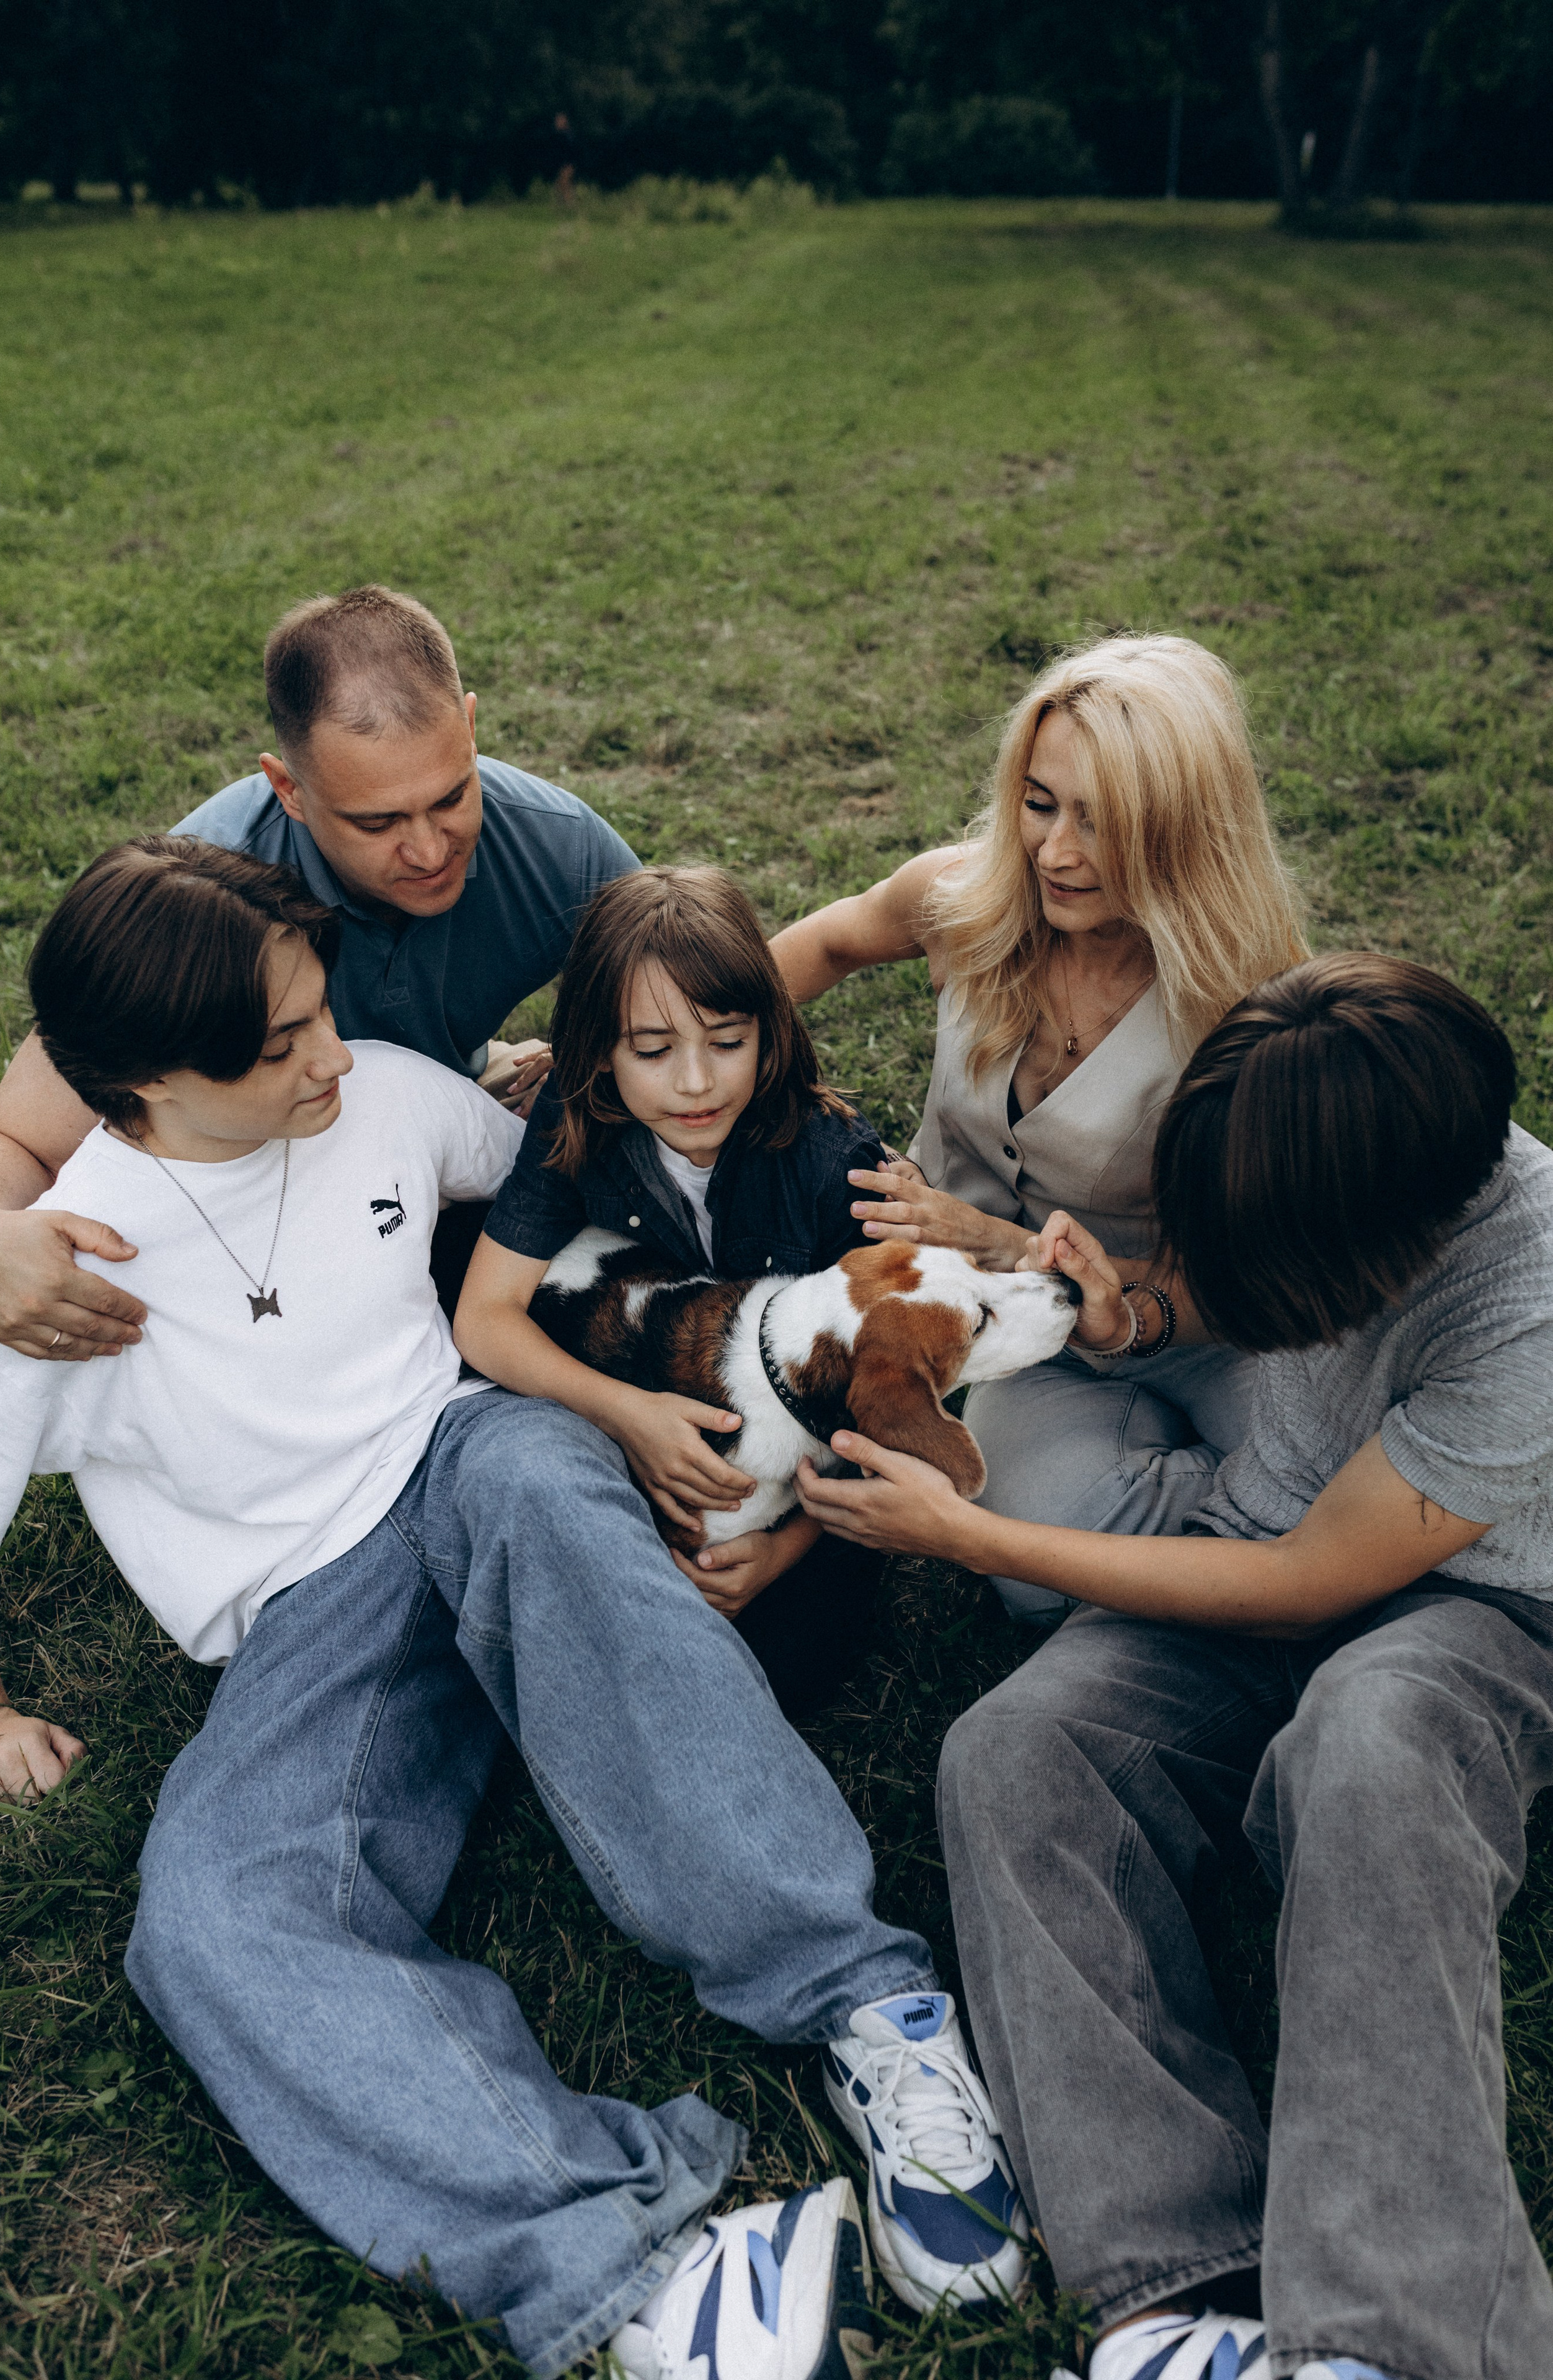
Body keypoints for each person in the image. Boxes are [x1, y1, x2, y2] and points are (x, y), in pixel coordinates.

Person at [0, 836, 1030, 2353]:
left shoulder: (388, 1095)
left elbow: (571, 1156)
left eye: (323, 1010)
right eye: (284, 1046)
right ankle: (645, 2262)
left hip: (478, 1453)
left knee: (532, 1476)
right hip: (310, 1612)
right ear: (145, 1078)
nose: (337, 1052)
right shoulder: (54, 1271)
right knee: (204, 1918)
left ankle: (869, 2007)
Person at [794, 953, 1553, 2380]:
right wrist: (1130, 1312)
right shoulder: (1295, 1127)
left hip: (1471, 1615)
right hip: (1262, 1525)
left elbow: (1300, 1588)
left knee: (1370, 1733)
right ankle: (1170, 2301)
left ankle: (1392, 2339)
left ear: (1365, 1248)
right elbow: (1213, 1299)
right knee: (1012, 1751)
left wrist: (971, 1534)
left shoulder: (1529, 1295)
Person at [771, 633, 1306, 1620]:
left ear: (1183, 828)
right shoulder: (966, 903)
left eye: (1104, 824)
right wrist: (683, 1030)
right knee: (1026, 1575)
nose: (1056, 852)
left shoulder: (1248, 1006)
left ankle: (1264, 1549)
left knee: (1341, 1484)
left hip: (1199, 1317)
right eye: (1041, 802)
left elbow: (1240, 1278)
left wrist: (1015, 1249)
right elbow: (829, 941)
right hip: (1017, 1331)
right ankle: (1231, 1539)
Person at [0, 583, 637, 1363]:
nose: (429, 850)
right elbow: (18, 1133)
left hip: (429, 1157)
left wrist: (593, 1060)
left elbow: (710, 998)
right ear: (289, 789)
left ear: (471, 727)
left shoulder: (557, 844)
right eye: (376, 823)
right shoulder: (204, 895)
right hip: (247, 1211)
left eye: (452, 797)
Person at [456, 864, 896, 1716]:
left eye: (727, 1042)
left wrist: (785, 1551)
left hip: (805, 1482)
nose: (695, 1083)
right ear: (597, 1050)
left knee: (792, 1669)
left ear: (771, 1031)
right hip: (637, 1425)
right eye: (653, 1051)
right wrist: (629, 1419)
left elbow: (879, 1408)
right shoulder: (575, 1114)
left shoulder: (835, 1163)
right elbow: (484, 1315)